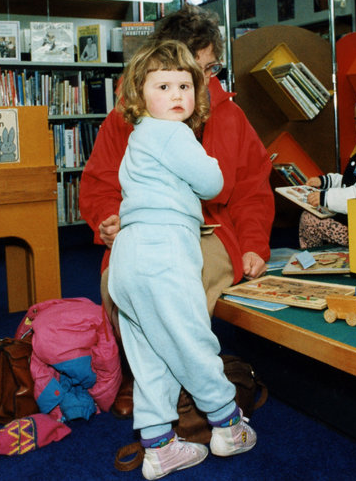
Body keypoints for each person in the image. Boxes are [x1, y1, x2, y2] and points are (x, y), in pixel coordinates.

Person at [80, 3, 274, 417]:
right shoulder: (123, 118)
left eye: (210, 69)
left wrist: (255, 244)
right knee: (117, 284)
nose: (200, 82)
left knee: (188, 281)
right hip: (142, 228)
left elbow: (252, 188)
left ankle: (186, 394)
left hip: (211, 229)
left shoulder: (231, 116)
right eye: (190, 69)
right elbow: (98, 184)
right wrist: (107, 219)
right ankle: (172, 388)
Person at [108, 39, 256, 479]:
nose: (177, 96)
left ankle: (159, 446)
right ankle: (227, 425)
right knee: (192, 341)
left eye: (185, 86)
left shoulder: (137, 139)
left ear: (198, 92)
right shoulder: (173, 134)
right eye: (163, 86)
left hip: (128, 259)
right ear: (138, 94)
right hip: (165, 253)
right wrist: (203, 155)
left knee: (150, 354)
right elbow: (213, 183)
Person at [299, 86, 356, 249]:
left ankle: (313, 260)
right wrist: (325, 181)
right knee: (310, 215)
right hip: (354, 223)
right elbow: (350, 181)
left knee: (309, 220)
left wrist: (326, 198)